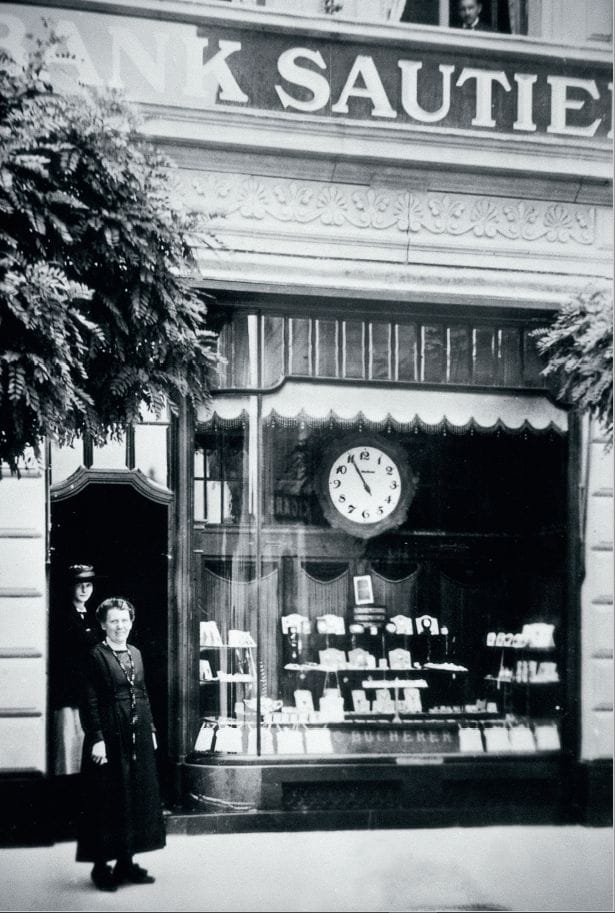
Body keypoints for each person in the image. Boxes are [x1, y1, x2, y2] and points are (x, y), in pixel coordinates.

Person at [76, 597, 166, 892]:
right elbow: (89, 700)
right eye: (114, 621)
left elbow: (143, 692)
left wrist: (151, 729)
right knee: (106, 799)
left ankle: (126, 863)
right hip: (109, 733)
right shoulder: (95, 655)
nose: (120, 626)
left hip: (137, 732)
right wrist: (97, 738)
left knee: (135, 795)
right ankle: (101, 867)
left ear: (131, 622)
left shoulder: (136, 653)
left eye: (125, 620)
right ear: (103, 625)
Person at [51, 564, 102, 778]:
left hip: (89, 693)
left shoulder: (91, 616)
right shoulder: (63, 616)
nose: (84, 590)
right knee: (69, 750)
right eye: (79, 584)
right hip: (70, 693)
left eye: (88, 585)